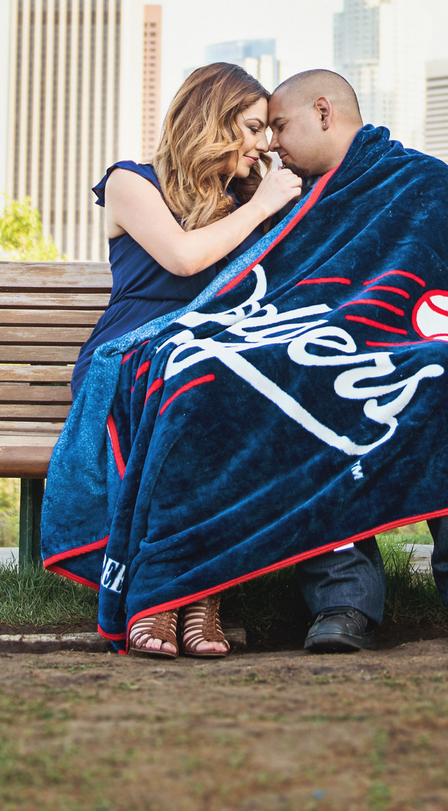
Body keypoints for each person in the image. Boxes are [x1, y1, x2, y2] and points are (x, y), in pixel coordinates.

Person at [265, 69, 448, 653]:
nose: (272, 143)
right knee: (301, 379)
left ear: (324, 112)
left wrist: (388, 338)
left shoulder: (427, 182)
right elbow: (277, 301)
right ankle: (342, 597)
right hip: (329, 355)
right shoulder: (290, 203)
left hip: (417, 351)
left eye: (281, 126)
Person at [86, 61, 303, 658]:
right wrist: (262, 207)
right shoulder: (133, 181)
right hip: (132, 352)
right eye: (255, 127)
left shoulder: (241, 199)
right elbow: (182, 259)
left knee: (216, 379)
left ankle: (201, 594)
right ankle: (161, 593)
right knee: (196, 375)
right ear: (215, 117)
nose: (265, 144)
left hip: (205, 358)